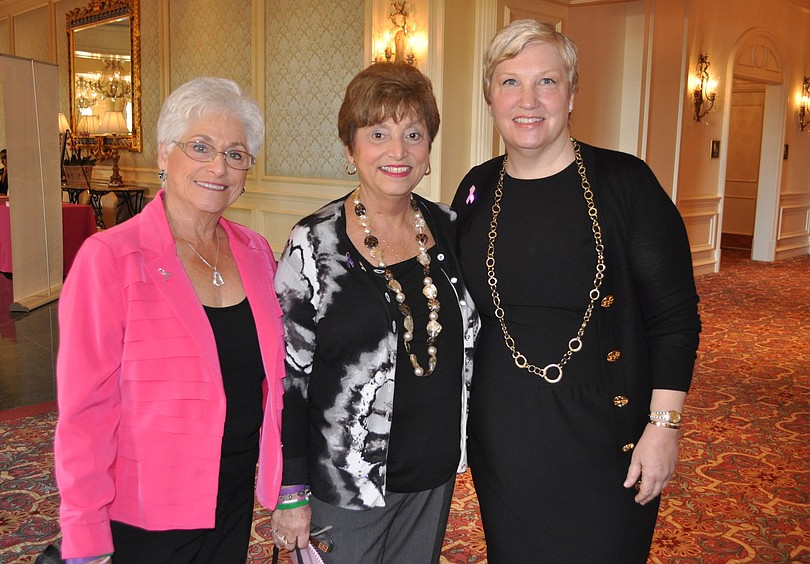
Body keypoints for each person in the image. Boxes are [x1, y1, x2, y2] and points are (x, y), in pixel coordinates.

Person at [450, 19, 701, 562]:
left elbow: (675, 317)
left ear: (571, 93)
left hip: (605, 437)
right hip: (505, 435)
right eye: (510, 82)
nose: (529, 100)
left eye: (548, 81)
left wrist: (664, 429)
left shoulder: (626, 183)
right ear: (490, 96)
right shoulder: (476, 186)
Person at [54, 77, 285, 564]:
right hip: (146, 509)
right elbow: (84, 414)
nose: (218, 166)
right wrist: (85, 532)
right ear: (164, 154)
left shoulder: (256, 252)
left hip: (234, 491)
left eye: (236, 153)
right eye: (200, 147)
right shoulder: (109, 259)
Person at [271, 62, 479, 563]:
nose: (398, 151)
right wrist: (291, 491)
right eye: (378, 133)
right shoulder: (313, 243)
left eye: (414, 134)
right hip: (343, 483)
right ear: (350, 148)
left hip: (431, 474)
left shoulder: (452, 230)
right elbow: (288, 379)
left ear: (429, 150)